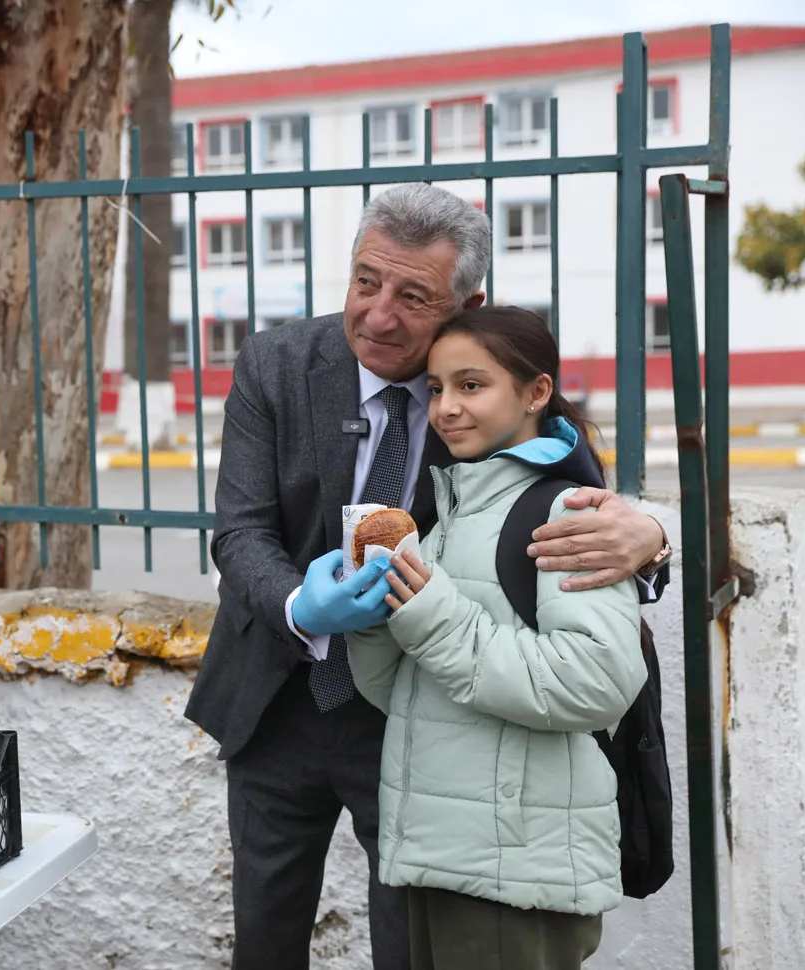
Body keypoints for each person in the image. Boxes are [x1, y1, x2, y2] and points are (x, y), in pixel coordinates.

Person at [182, 184, 671, 970]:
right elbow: (240, 534)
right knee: (264, 938)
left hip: (416, 716)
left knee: (409, 947)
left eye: (413, 297)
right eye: (364, 282)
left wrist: (651, 536)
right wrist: (301, 605)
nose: (377, 316)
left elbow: (580, 507)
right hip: (273, 694)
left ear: (465, 301)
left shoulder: (487, 395)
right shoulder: (274, 364)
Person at [348, 304, 645, 969]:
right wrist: (371, 618)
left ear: (535, 392)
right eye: (434, 389)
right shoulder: (442, 514)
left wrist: (429, 612)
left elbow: (595, 683)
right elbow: (401, 693)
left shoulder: (565, 513)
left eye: (470, 385)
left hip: (515, 869)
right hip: (440, 853)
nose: (446, 407)